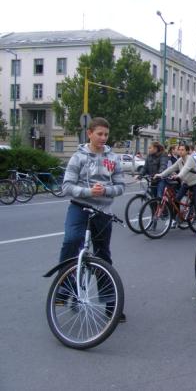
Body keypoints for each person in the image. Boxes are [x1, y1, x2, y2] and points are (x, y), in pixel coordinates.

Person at [59, 117, 127, 322]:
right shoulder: (78, 157)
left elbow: (121, 187)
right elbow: (66, 187)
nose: (103, 138)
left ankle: (110, 304)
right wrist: (88, 191)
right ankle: (64, 287)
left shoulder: (113, 159)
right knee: (72, 240)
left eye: (106, 134)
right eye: (99, 134)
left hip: (103, 212)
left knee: (103, 256)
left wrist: (105, 189)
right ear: (89, 133)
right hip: (79, 207)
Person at [155, 143, 196, 237]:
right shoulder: (180, 160)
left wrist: (178, 176)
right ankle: (176, 219)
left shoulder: (190, 159)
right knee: (175, 199)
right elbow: (171, 168)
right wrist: (161, 174)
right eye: (179, 149)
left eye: (182, 150)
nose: (180, 151)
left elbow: (185, 169)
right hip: (186, 183)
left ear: (187, 151)